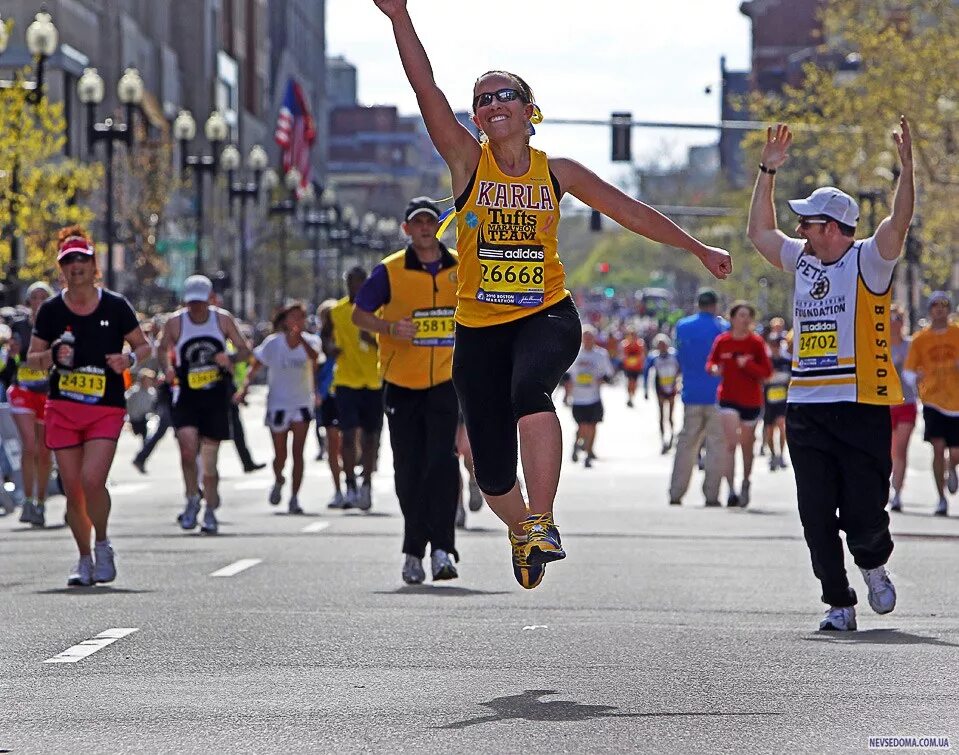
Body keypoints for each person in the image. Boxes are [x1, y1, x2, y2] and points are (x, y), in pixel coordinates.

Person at [375, 0, 731, 589]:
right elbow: (424, 86)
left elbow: (631, 212)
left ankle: (542, 519)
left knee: (530, 390)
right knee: (490, 473)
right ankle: (521, 527)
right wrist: (399, 18)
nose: (491, 104)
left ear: (529, 110)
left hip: (546, 314)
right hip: (479, 328)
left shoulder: (558, 172)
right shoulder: (467, 164)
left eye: (503, 95)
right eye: (482, 98)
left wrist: (696, 248)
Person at [747, 118, 913, 630]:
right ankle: (838, 603)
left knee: (864, 513)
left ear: (836, 228)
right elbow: (759, 232)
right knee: (816, 513)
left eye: (811, 224)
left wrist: (907, 170)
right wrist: (766, 172)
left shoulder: (870, 260)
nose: (800, 231)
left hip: (862, 405)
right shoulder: (802, 261)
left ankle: (873, 564)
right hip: (807, 408)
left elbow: (899, 221)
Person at [28, 227, 150, 586]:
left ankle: (103, 543)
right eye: (69, 261)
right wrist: (51, 355)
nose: (76, 266)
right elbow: (32, 359)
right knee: (73, 489)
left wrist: (127, 360)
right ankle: (84, 558)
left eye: (82, 259)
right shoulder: (50, 310)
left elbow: (144, 347)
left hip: (104, 408)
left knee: (92, 480)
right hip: (63, 408)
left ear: (95, 265)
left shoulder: (115, 305)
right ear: (61, 269)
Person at [351, 196, 461, 583]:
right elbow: (359, 313)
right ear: (407, 230)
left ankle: (443, 551)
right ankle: (414, 550)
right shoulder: (389, 271)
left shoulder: (460, 269)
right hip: (401, 384)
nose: (426, 228)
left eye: (431, 221)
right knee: (408, 470)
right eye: (418, 223)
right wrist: (389, 328)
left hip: (447, 383)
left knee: (442, 465)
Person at [158, 275, 251, 535]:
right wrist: (167, 368)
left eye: (200, 302)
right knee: (187, 450)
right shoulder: (176, 323)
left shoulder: (222, 320)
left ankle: (209, 508)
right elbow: (162, 348)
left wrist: (229, 356)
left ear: (210, 299)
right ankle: (191, 498)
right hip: (187, 394)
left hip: (215, 396)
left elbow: (245, 350)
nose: (196, 308)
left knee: (209, 458)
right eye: (191, 303)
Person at [238, 302, 320, 515]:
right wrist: (245, 387)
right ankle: (279, 478)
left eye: (301, 318)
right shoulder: (273, 344)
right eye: (293, 318)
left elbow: (316, 360)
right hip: (278, 404)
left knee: (298, 452)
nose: (297, 322)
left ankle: (294, 497)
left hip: (301, 403)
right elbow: (254, 367)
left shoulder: (310, 342)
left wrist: (300, 339)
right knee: (280, 454)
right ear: (285, 320)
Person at [323, 268, 382, 511]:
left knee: (370, 438)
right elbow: (324, 338)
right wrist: (330, 349)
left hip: (374, 381)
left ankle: (366, 484)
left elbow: (392, 341)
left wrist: (373, 341)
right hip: (346, 382)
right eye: (352, 283)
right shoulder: (336, 312)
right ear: (346, 284)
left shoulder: (377, 310)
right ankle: (349, 485)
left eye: (360, 283)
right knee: (347, 436)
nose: (356, 287)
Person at [706, 301, 772, 508]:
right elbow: (711, 362)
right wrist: (714, 368)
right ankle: (731, 489)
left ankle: (745, 482)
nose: (744, 320)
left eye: (748, 316)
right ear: (732, 318)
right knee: (730, 443)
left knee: (746, 445)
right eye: (741, 315)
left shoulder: (756, 343)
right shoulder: (722, 341)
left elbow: (767, 373)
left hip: (751, 400)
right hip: (728, 398)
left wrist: (749, 365)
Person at [668, 289, 729, 507]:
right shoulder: (723, 328)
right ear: (715, 305)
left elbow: (680, 357)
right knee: (716, 445)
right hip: (717, 394)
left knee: (686, 444)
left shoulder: (683, 326)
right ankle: (712, 494)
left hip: (691, 392)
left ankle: (676, 491)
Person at [903, 292, 959, 517]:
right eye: (935, 306)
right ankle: (941, 499)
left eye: (943, 306)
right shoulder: (920, 339)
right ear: (929, 310)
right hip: (932, 400)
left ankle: (951, 466)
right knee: (937, 448)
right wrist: (914, 378)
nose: (939, 310)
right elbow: (907, 372)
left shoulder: (957, 333)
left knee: (955, 452)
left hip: (956, 401)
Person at [5, 281, 54, 526]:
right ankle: (27, 500)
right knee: (30, 446)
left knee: (45, 451)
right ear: (28, 302)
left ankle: (41, 502)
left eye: (44, 297)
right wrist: (12, 351)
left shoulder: (56, 325)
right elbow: (13, 355)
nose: (39, 301)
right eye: (35, 297)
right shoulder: (20, 325)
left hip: (48, 392)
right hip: (23, 389)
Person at [564, 325, 614, 469]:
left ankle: (588, 453)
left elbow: (609, 375)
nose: (588, 340)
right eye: (585, 337)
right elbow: (566, 376)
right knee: (582, 426)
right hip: (578, 398)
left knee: (592, 426)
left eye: (590, 337)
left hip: (594, 397)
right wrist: (566, 395)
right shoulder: (574, 354)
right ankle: (577, 443)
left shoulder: (601, 355)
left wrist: (602, 380)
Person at [316, 300, 346, 508]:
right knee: (332, 445)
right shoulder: (318, 341)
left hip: (348, 392)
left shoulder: (347, 334)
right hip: (328, 397)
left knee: (351, 443)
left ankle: (353, 481)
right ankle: (338, 489)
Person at [888, 304, 915, 512]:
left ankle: (897, 493)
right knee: (887, 451)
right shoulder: (878, 345)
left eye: (897, 319)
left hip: (906, 403)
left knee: (900, 450)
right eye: (889, 318)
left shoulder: (910, 346)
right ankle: (886, 487)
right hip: (884, 405)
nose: (893, 323)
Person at [643, 333, 681, 454]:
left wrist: (680, 384)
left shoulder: (674, 355)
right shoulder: (653, 357)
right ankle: (662, 439)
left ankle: (672, 436)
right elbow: (646, 372)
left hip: (672, 388)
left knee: (670, 416)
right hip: (660, 388)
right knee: (661, 415)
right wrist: (645, 390)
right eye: (659, 345)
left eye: (664, 344)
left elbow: (681, 369)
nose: (662, 347)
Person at [763, 336, 792, 471]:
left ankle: (781, 455)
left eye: (777, 345)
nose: (775, 347)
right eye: (772, 345)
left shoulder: (786, 361)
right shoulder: (765, 361)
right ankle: (773, 454)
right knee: (769, 431)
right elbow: (761, 379)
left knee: (782, 426)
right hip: (768, 402)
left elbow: (791, 379)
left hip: (782, 401)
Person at [125, 368, 157, 440]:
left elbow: (153, 408)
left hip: (147, 419)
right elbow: (128, 405)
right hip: (135, 419)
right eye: (146, 380)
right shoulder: (134, 392)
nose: (148, 382)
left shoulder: (152, 393)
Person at [621, 328, 646, 408]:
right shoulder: (625, 344)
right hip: (628, 367)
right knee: (629, 382)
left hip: (636, 367)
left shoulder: (640, 344)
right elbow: (624, 355)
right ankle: (629, 397)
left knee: (634, 383)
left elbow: (641, 354)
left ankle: (632, 396)